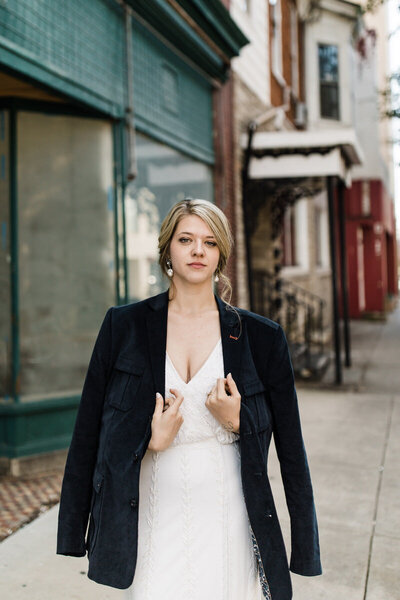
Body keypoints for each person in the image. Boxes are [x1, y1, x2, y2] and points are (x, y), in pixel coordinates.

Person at [57, 198, 322, 600]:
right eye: (186, 239)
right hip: (150, 506)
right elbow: (88, 433)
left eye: (210, 242)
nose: (198, 250)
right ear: (168, 251)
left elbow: (292, 446)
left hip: (228, 506)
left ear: (221, 256)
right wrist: (148, 441)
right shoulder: (122, 326)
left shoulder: (262, 337)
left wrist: (238, 421)